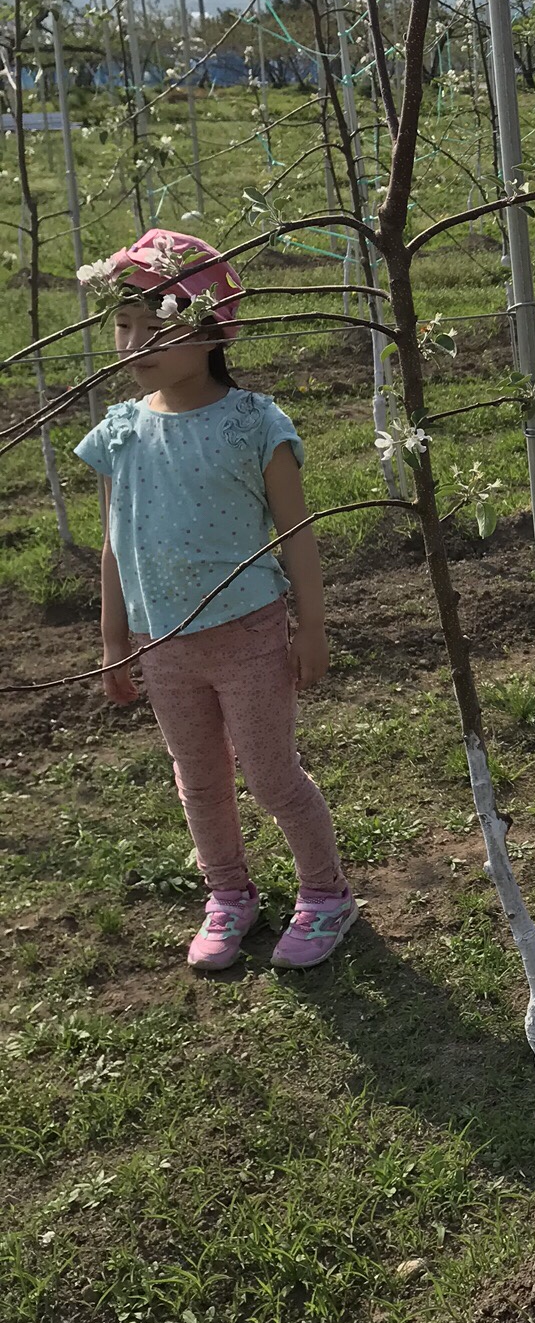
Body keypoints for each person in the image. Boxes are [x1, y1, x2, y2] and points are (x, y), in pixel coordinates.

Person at [75, 229, 357, 970]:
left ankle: (326, 895)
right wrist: (115, 640)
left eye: (154, 324)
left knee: (270, 775)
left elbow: (296, 534)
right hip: (163, 645)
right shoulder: (119, 434)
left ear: (207, 330)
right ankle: (228, 894)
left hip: (249, 637)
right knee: (198, 780)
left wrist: (312, 627)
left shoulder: (253, 424)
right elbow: (114, 545)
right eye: (123, 325)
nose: (134, 343)